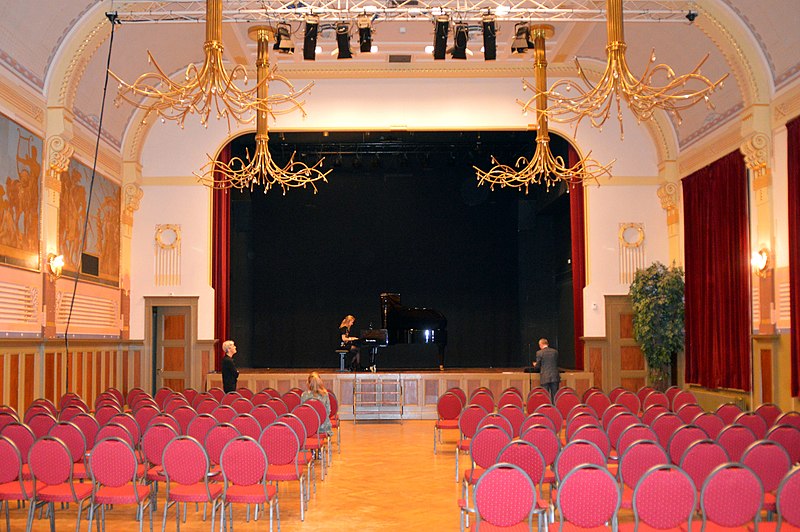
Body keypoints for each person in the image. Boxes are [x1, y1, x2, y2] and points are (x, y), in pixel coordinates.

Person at [300, 371, 332, 436]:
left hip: (308, 428)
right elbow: (328, 411)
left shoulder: (304, 395)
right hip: (324, 428)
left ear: (308, 383)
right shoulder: (325, 395)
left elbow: (302, 413)